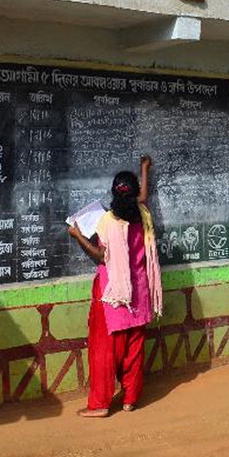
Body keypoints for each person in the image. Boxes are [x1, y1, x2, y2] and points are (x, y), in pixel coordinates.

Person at [68, 155, 162, 418]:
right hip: (140, 293)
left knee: (105, 353)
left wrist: (77, 236)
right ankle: (130, 399)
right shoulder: (142, 215)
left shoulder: (107, 222)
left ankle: (99, 404)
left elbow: (100, 256)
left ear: (113, 193)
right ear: (133, 195)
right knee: (134, 349)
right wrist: (145, 169)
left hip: (113, 297)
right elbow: (143, 197)